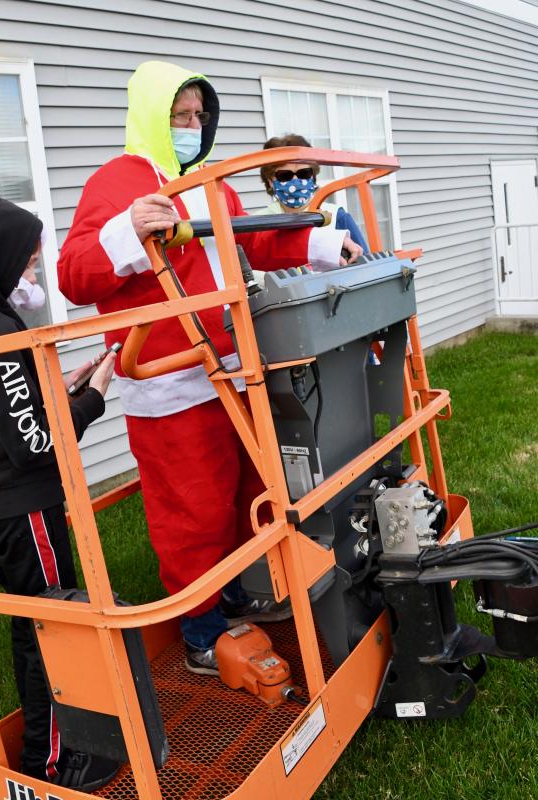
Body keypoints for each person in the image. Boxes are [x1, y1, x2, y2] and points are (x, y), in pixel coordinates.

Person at [57, 60, 363, 677]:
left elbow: (253, 240)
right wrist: (127, 233)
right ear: (152, 115)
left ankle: (235, 591)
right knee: (191, 510)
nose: (193, 126)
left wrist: (327, 245)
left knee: (247, 492)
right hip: (167, 381)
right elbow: (73, 274)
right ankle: (199, 631)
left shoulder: (214, 184)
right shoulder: (115, 183)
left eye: (200, 115)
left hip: (229, 364)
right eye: (180, 116)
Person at [0, 193, 119, 792]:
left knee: (33, 620)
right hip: (19, 499)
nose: (32, 275)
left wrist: (57, 384)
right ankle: (54, 762)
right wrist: (93, 399)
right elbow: (35, 443)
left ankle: (46, 751)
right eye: (28, 263)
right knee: (53, 622)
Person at [258, 133, 369, 253]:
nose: (295, 181)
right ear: (270, 181)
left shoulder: (337, 216)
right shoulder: (258, 223)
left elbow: (365, 263)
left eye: (303, 173)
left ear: (313, 176)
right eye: (285, 175)